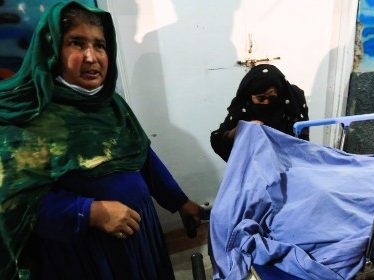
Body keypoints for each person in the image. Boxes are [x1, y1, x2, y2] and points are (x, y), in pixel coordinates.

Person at [0, 2, 201, 279]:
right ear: (51, 49)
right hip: (86, 256)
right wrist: (90, 212)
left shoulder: (112, 105)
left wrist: (179, 201)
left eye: (100, 45)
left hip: (140, 238)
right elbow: (15, 206)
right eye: (76, 43)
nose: (92, 57)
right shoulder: (30, 117)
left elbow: (142, 157)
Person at [210, 64, 309, 161]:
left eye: (271, 97)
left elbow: (302, 139)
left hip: (291, 161)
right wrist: (239, 130)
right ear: (250, 96)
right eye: (260, 98)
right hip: (255, 166)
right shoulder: (243, 108)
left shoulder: (292, 100)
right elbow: (218, 140)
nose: (267, 102)